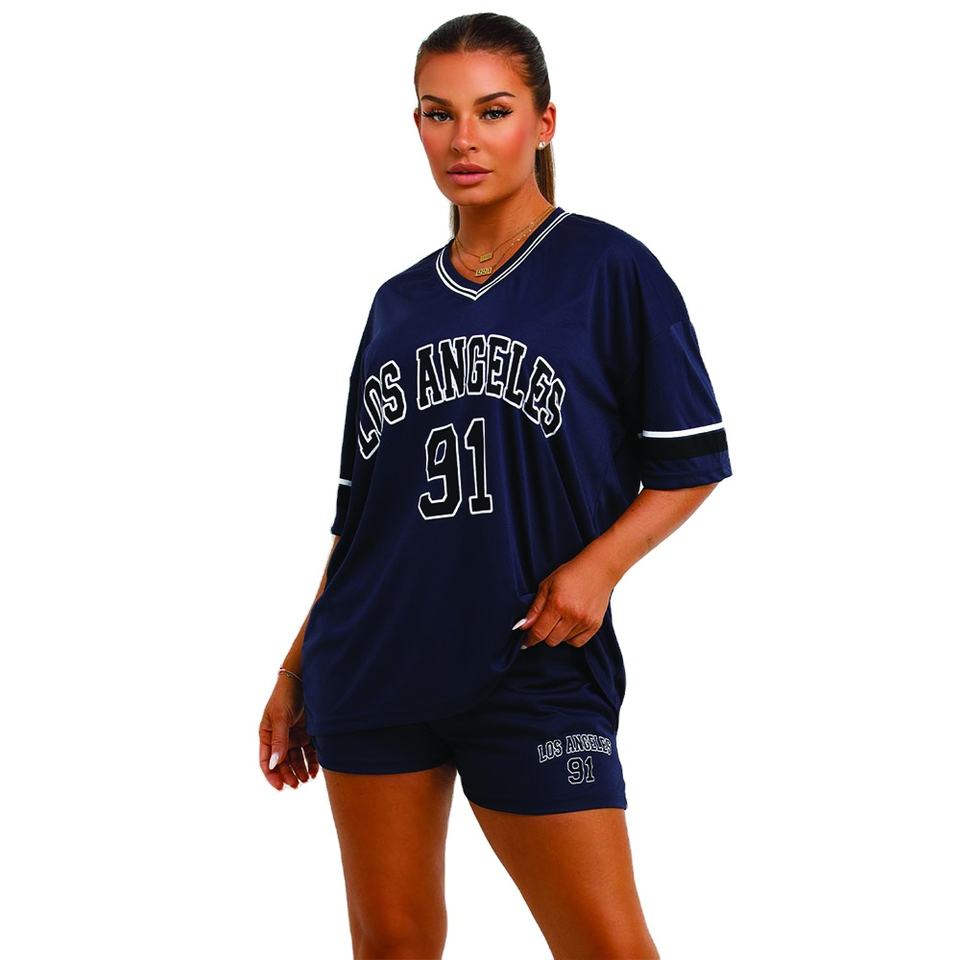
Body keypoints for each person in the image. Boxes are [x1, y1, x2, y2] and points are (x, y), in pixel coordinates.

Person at [259, 13, 732, 959]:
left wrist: (599, 567)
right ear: (417, 125)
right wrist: (296, 666)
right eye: (439, 114)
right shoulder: (397, 304)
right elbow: (362, 520)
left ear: (544, 122)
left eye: (494, 110)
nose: (463, 139)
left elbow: (691, 464)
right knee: (393, 948)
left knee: (608, 946)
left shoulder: (610, 270)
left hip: (534, 664)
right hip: (374, 663)